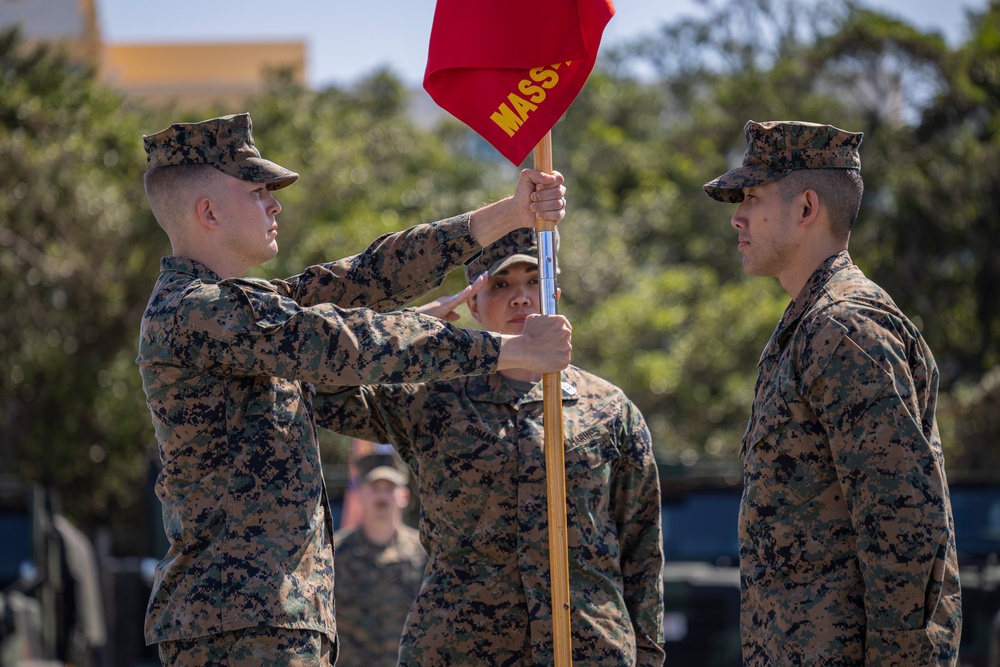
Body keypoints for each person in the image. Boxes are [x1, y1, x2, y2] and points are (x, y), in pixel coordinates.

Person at [136, 112, 572, 666]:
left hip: (260, 618)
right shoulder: (198, 311)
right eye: (258, 192)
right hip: (240, 625)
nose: (275, 205)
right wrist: (505, 351)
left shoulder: (237, 306)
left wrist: (509, 214)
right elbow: (348, 343)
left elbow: (365, 277)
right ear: (208, 212)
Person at [313, 228, 666, 666]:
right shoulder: (431, 397)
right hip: (459, 651)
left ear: (554, 293)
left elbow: (642, 549)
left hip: (587, 649)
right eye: (500, 285)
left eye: (533, 281)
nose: (520, 298)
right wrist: (415, 330)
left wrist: (648, 655)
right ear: (473, 305)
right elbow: (321, 390)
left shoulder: (610, 410)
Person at [703, 120, 962, 665]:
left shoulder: (843, 329)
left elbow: (904, 530)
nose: (737, 216)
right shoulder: (811, 325)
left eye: (752, 196)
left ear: (806, 209)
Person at [332, 453, 427, 667]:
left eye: (389, 488)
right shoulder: (334, 553)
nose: (381, 495)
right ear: (360, 495)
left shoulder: (425, 555)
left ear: (404, 495)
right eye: (375, 488)